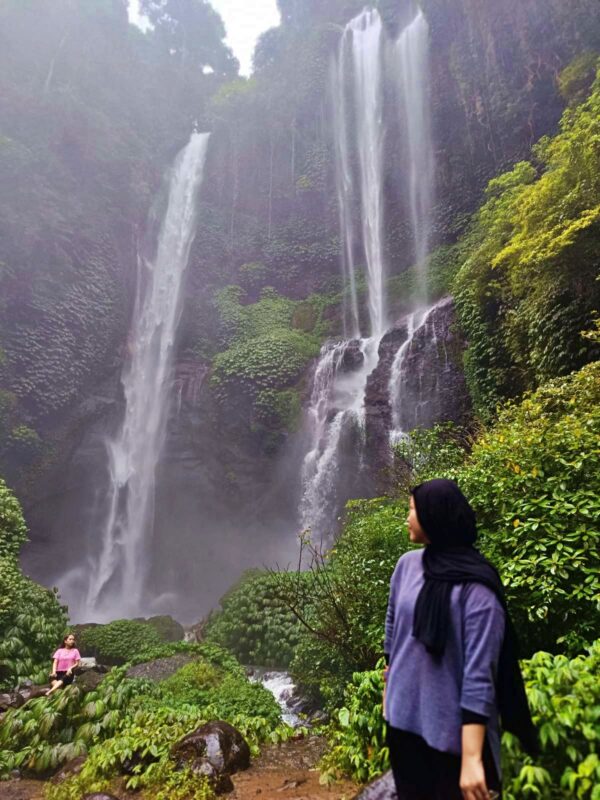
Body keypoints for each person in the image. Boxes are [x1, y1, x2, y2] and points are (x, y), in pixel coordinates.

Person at [383, 479, 537, 800]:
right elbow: (392, 634)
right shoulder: (406, 566)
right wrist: (389, 696)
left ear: (434, 515)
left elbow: (480, 675)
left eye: (412, 510)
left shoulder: (477, 587)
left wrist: (471, 759)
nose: (407, 517)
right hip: (402, 725)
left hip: (452, 736)